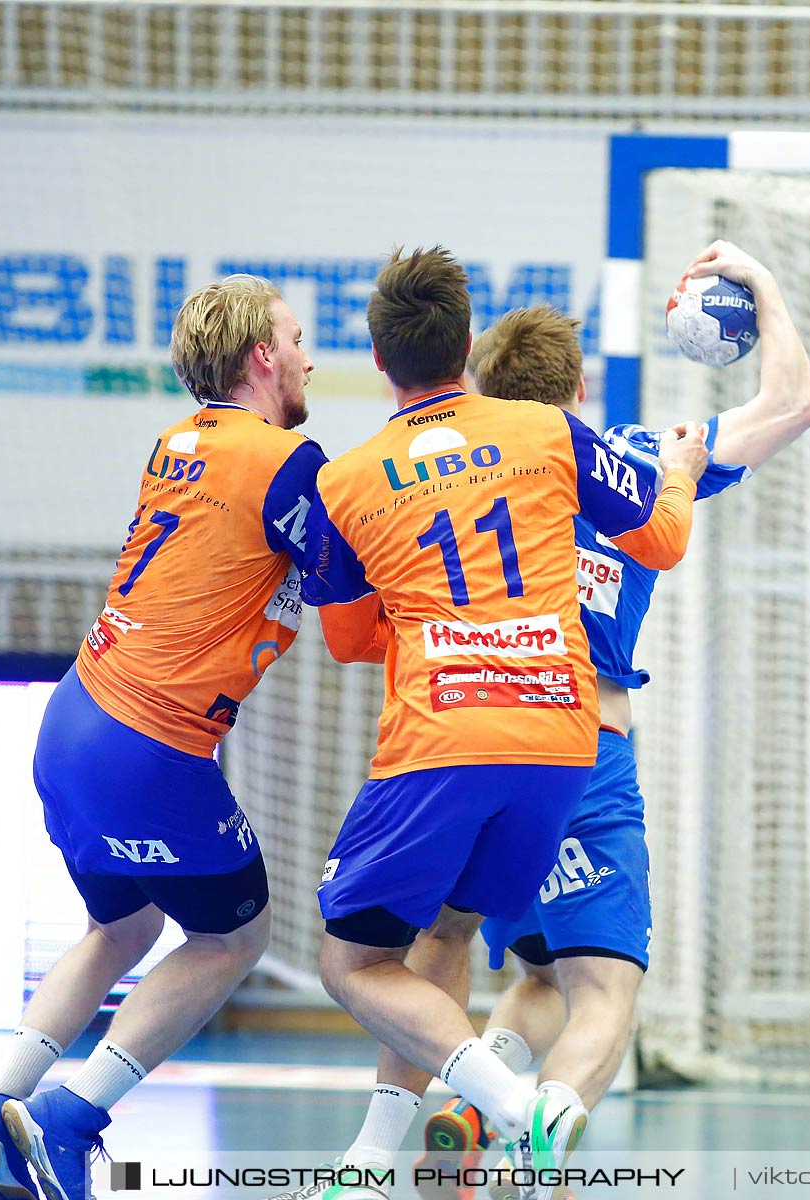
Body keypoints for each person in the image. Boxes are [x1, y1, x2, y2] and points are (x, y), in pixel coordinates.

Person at [359, 241, 809, 1188]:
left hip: (473, 748)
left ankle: (460, 1113)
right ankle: (538, 1134)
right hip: (585, 753)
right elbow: (790, 407)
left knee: (511, 964)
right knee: (602, 993)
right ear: (577, 389)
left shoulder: (465, 471)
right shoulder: (633, 459)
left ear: (483, 379)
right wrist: (762, 291)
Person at [284, 246, 706, 1200]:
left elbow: (350, 642)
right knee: (453, 942)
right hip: (563, 743)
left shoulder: (347, 483)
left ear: (379, 361)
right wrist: (677, 466)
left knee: (355, 963)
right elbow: (664, 537)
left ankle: (515, 1108)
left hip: (443, 739)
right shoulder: (546, 434)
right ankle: (373, 1164)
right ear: (468, 345)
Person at [0, 274, 324, 1200]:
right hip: (149, 745)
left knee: (120, 924)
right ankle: (74, 1118)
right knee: (234, 937)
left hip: (73, 714)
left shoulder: (177, 440)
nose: (310, 353)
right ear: (261, 356)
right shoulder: (287, 461)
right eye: (298, 336)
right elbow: (355, 584)